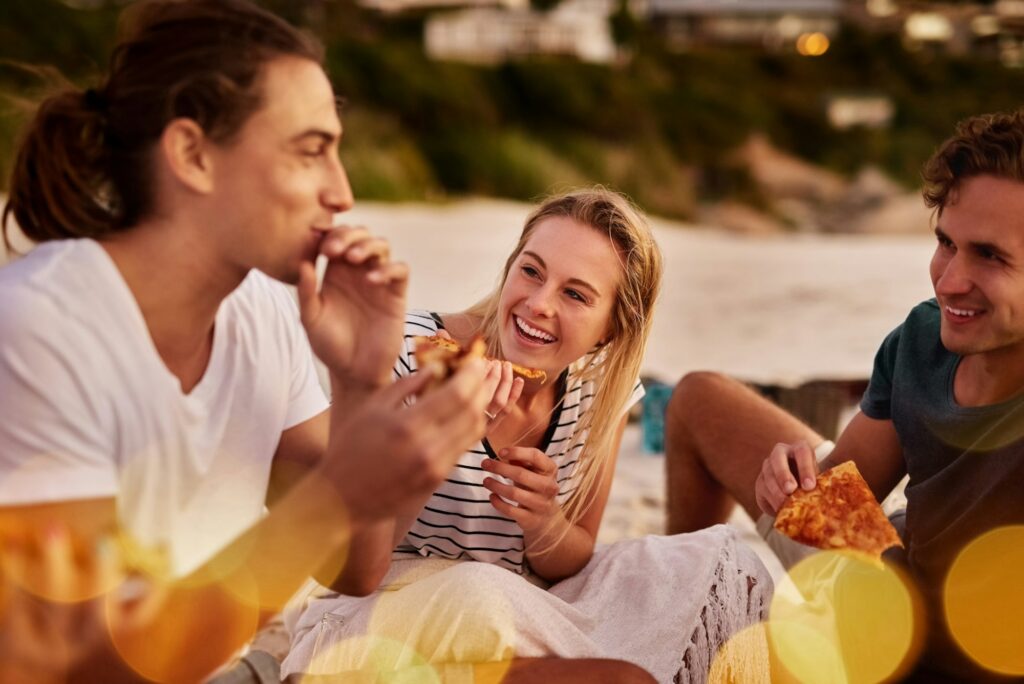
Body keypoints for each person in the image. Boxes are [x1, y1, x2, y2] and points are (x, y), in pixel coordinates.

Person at [0, 2, 650, 682]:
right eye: (311, 150)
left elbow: (353, 568)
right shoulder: (41, 331)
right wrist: (341, 484)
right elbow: (65, 664)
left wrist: (360, 380)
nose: (341, 191)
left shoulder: (260, 314)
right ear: (193, 154)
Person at [282, 188, 774, 683]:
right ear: (510, 267)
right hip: (384, 605)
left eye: (575, 294)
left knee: (719, 563)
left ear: (609, 330)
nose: (538, 303)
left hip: (519, 604)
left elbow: (572, 556)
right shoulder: (408, 355)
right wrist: (438, 445)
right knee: (483, 593)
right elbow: (346, 553)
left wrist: (545, 524)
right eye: (532, 271)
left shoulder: (596, 396)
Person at [664, 110, 1024, 681]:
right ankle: (672, 620)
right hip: (885, 584)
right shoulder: (922, 341)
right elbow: (837, 491)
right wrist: (794, 476)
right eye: (945, 243)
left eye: (990, 255)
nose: (950, 279)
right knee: (698, 400)